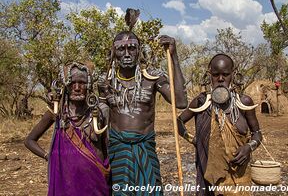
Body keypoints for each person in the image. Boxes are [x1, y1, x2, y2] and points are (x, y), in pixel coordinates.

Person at [98, 16, 188, 195]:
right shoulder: (106, 83)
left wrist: (174, 56)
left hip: (145, 150)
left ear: (139, 51)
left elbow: (181, 102)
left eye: (131, 48)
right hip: (118, 152)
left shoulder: (152, 78)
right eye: (121, 49)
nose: (126, 53)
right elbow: (101, 121)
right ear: (113, 53)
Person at [177, 54, 262, 196]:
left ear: (233, 75)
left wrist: (248, 147)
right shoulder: (201, 102)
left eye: (226, 74)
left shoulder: (244, 102)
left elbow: (257, 133)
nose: (221, 79)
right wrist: (193, 140)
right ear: (209, 75)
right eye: (216, 75)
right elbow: (179, 122)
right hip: (209, 175)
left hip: (238, 177)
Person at [24, 61, 110, 196]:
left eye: (81, 83)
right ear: (65, 86)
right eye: (72, 83)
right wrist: (49, 157)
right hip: (65, 185)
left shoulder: (100, 111)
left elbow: (108, 148)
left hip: (96, 183)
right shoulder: (57, 112)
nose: (77, 87)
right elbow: (29, 140)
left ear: (88, 85)